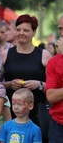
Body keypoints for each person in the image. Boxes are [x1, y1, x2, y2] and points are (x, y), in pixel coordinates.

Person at [2, 14, 52, 142]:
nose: (21, 33)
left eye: (26, 30)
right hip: (11, 112)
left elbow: (54, 87)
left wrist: (39, 84)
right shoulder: (5, 54)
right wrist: (9, 84)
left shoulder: (44, 55)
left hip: (37, 113)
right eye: (18, 30)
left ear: (34, 32)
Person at [45, 15, 63, 143]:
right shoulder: (53, 62)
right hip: (58, 123)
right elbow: (51, 96)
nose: (62, 33)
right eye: (60, 29)